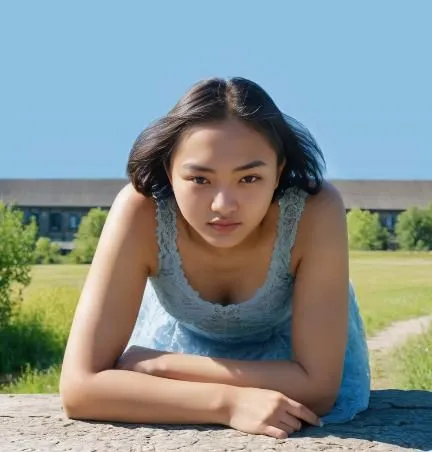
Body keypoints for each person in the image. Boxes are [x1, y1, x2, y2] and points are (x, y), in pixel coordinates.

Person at [60, 77, 370, 439]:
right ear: (168, 171)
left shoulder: (315, 210)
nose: (223, 205)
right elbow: (80, 389)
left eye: (250, 178)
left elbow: (317, 389)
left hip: (283, 360)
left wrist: (160, 365)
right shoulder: (140, 211)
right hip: (212, 356)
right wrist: (227, 403)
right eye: (200, 180)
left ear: (280, 171)